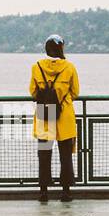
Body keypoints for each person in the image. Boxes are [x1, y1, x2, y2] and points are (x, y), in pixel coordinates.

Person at [29, 34, 80, 202]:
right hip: (64, 114)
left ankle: (43, 193)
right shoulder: (70, 67)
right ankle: (66, 192)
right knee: (65, 156)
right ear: (60, 49)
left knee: (44, 155)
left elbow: (33, 91)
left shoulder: (37, 67)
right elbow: (75, 92)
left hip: (45, 113)